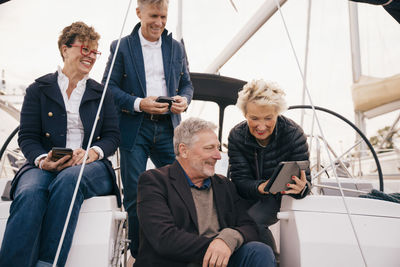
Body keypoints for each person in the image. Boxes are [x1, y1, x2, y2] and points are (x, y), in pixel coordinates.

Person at [0, 22, 120, 267]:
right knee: (30, 193)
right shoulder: (38, 90)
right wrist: (44, 160)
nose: (90, 57)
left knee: (70, 181)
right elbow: (28, 137)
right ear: (65, 49)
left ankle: (48, 263)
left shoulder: (102, 93)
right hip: (44, 165)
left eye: (94, 52)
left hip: (90, 167)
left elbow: (112, 137)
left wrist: (91, 154)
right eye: (84, 49)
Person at [102, 0, 193, 257]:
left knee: (180, 186)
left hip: (168, 127)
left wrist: (184, 100)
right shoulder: (121, 47)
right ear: (139, 13)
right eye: (154, 15)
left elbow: (187, 84)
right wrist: (139, 104)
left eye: (163, 17)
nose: (159, 23)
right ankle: (140, 254)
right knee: (134, 192)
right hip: (135, 128)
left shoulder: (176, 47)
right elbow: (107, 88)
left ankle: (177, 250)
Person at [134, 117, 276, 267]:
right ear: (184, 150)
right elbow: (163, 239)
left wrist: (228, 239)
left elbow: (249, 227)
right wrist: (216, 244)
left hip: (220, 261)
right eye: (209, 148)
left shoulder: (224, 185)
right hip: (176, 262)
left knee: (259, 251)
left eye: (218, 147)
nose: (218, 155)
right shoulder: (154, 181)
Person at [227, 79, 311, 256]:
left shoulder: (294, 134)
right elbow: (240, 182)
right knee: (229, 218)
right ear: (245, 114)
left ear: (277, 114)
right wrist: (262, 187)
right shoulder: (236, 136)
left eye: (268, 118)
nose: (261, 126)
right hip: (249, 192)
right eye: (254, 118)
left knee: (253, 221)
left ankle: (269, 260)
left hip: (281, 195)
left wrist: (301, 189)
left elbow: (306, 182)